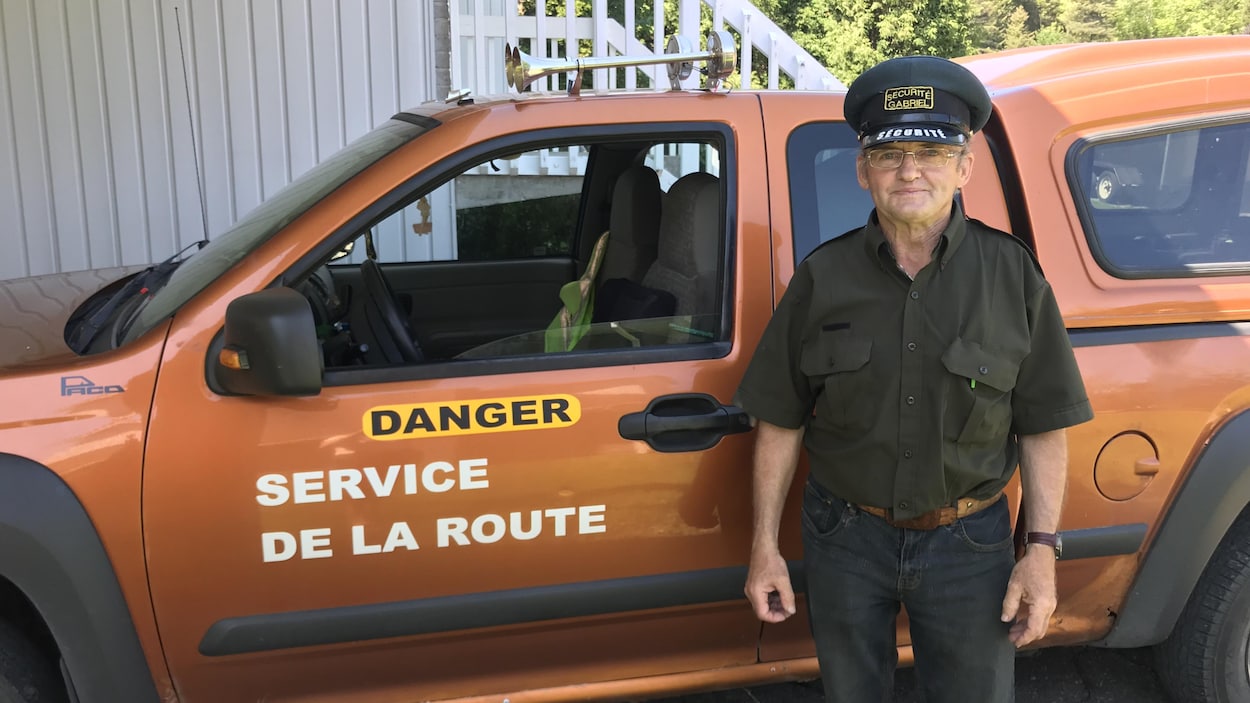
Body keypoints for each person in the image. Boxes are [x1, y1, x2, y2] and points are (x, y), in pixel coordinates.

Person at [736, 55, 1094, 703]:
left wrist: (1040, 551)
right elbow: (779, 418)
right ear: (862, 171)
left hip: (969, 543)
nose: (909, 171)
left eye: (931, 154)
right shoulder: (822, 277)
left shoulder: (1012, 275)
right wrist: (764, 546)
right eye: (889, 154)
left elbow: (1044, 424)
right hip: (845, 537)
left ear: (964, 169)